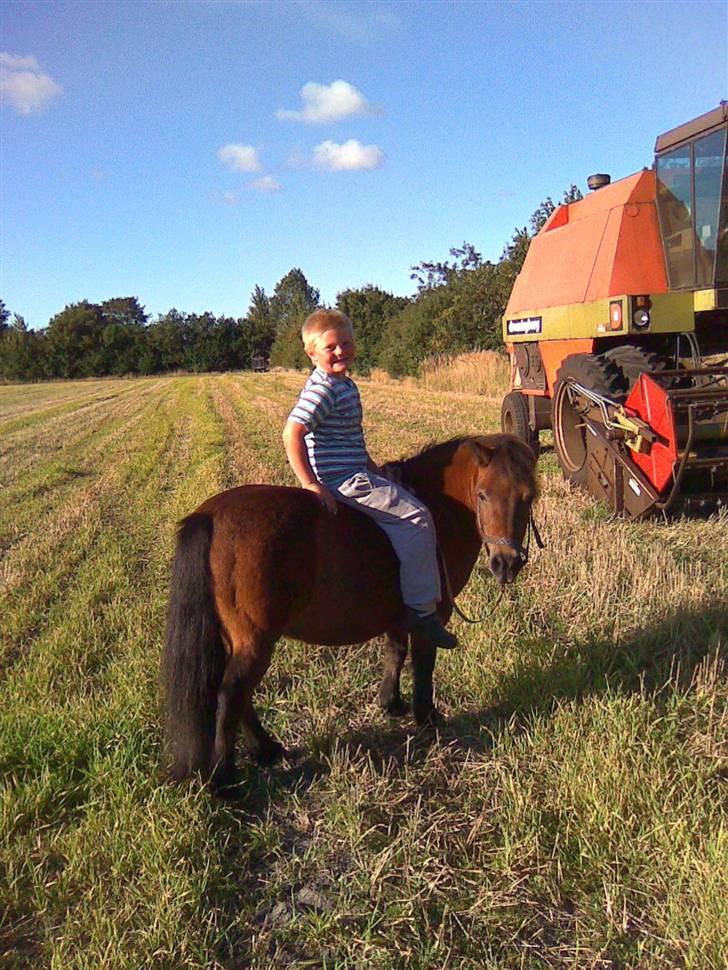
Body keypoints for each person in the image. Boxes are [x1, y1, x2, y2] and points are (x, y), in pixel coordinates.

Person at [282, 308, 457, 650]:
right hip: (344, 480)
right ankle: (421, 611)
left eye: (346, 343)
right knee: (417, 517)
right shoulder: (324, 390)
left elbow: (347, 438)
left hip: (356, 470)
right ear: (311, 353)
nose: (340, 352)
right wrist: (311, 483)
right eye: (331, 347)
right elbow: (293, 433)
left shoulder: (341, 383)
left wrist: (372, 467)